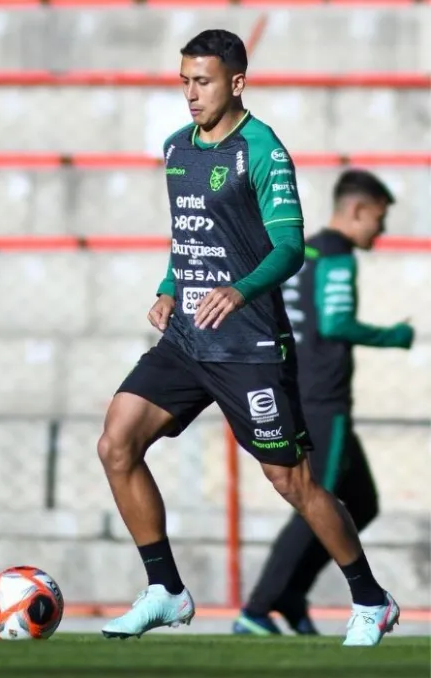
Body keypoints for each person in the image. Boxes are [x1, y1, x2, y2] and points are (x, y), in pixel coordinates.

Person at [96, 29, 398, 647]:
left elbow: (289, 247)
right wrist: (167, 286)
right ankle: (166, 591)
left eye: (201, 81)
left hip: (249, 344)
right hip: (187, 338)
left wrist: (238, 290)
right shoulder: (177, 149)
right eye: (183, 80)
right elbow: (191, 234)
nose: (189, 93)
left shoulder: (262, 151)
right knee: (116, 442)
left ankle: (371, 599)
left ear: (236, 82)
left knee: (293, 482)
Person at [233, 170, 414, 635]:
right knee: (317, 499)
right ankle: (258, 608)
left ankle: (291, 595)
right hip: (323, 398)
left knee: (362, 502)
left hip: (296, 386)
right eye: (380, 217)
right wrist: (394, 336)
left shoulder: (305, 251)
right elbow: (335, 323)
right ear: (358, 209)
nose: (382, 229)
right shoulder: (337, 256)